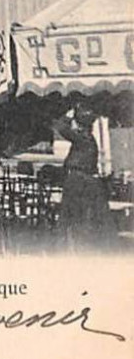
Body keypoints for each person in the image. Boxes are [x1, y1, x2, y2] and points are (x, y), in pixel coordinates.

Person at [53, 106, 116, 251]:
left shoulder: (82, 138)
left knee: (68, 215)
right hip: (82, 179)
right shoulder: (90, 139)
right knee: (76, 216)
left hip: (75, 180)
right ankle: (72, 245)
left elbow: (61, 128)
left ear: (80, 125)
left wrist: (68, 116)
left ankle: (65, 247)